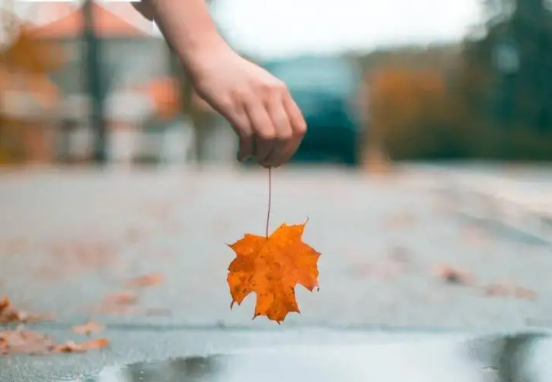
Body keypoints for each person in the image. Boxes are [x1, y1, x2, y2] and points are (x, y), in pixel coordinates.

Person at [132, 0, 307, 168]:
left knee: (212, 152)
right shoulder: (180, 36)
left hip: (208, 112)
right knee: (205, 153)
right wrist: (205, 50)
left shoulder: (212, 29)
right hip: (197, 110)